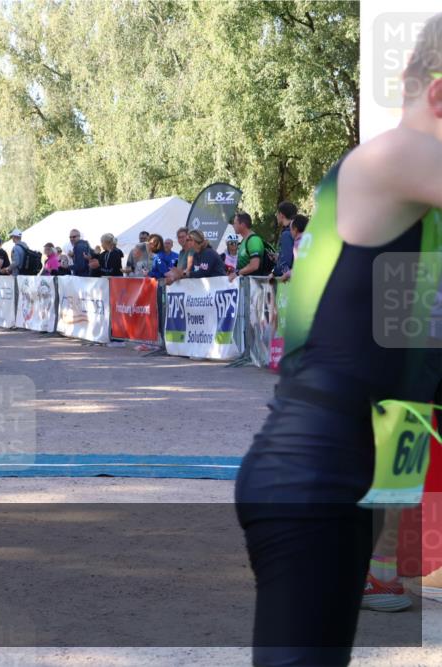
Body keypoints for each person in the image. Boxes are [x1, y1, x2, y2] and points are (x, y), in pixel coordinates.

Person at [235, 16, 442, 666]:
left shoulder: (414, 230)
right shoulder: (395, 155)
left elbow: (404, 359)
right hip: (312, 473)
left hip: (343, 478)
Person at [229, 212, 268, 280]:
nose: (233, 225)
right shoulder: (244, 240)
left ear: (242, 225)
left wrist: (237, 273)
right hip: (244, 283)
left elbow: (254, 266)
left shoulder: (253, 240)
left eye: (235, 223)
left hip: (254, 284)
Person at [277, 215, 309, 282]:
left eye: (291, 229)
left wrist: (286, 275)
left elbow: (301, 268)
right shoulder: (311, 240)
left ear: (295, 229)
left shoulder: (298, 243)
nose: (290, 232)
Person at [274, 201, 298, 277]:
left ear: (281, 215)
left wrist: (274, 273)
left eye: (277, 214)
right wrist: (279, 257)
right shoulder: (298, 230)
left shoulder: (287, 234)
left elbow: (285, 263)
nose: (276, 216)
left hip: (291, 279)